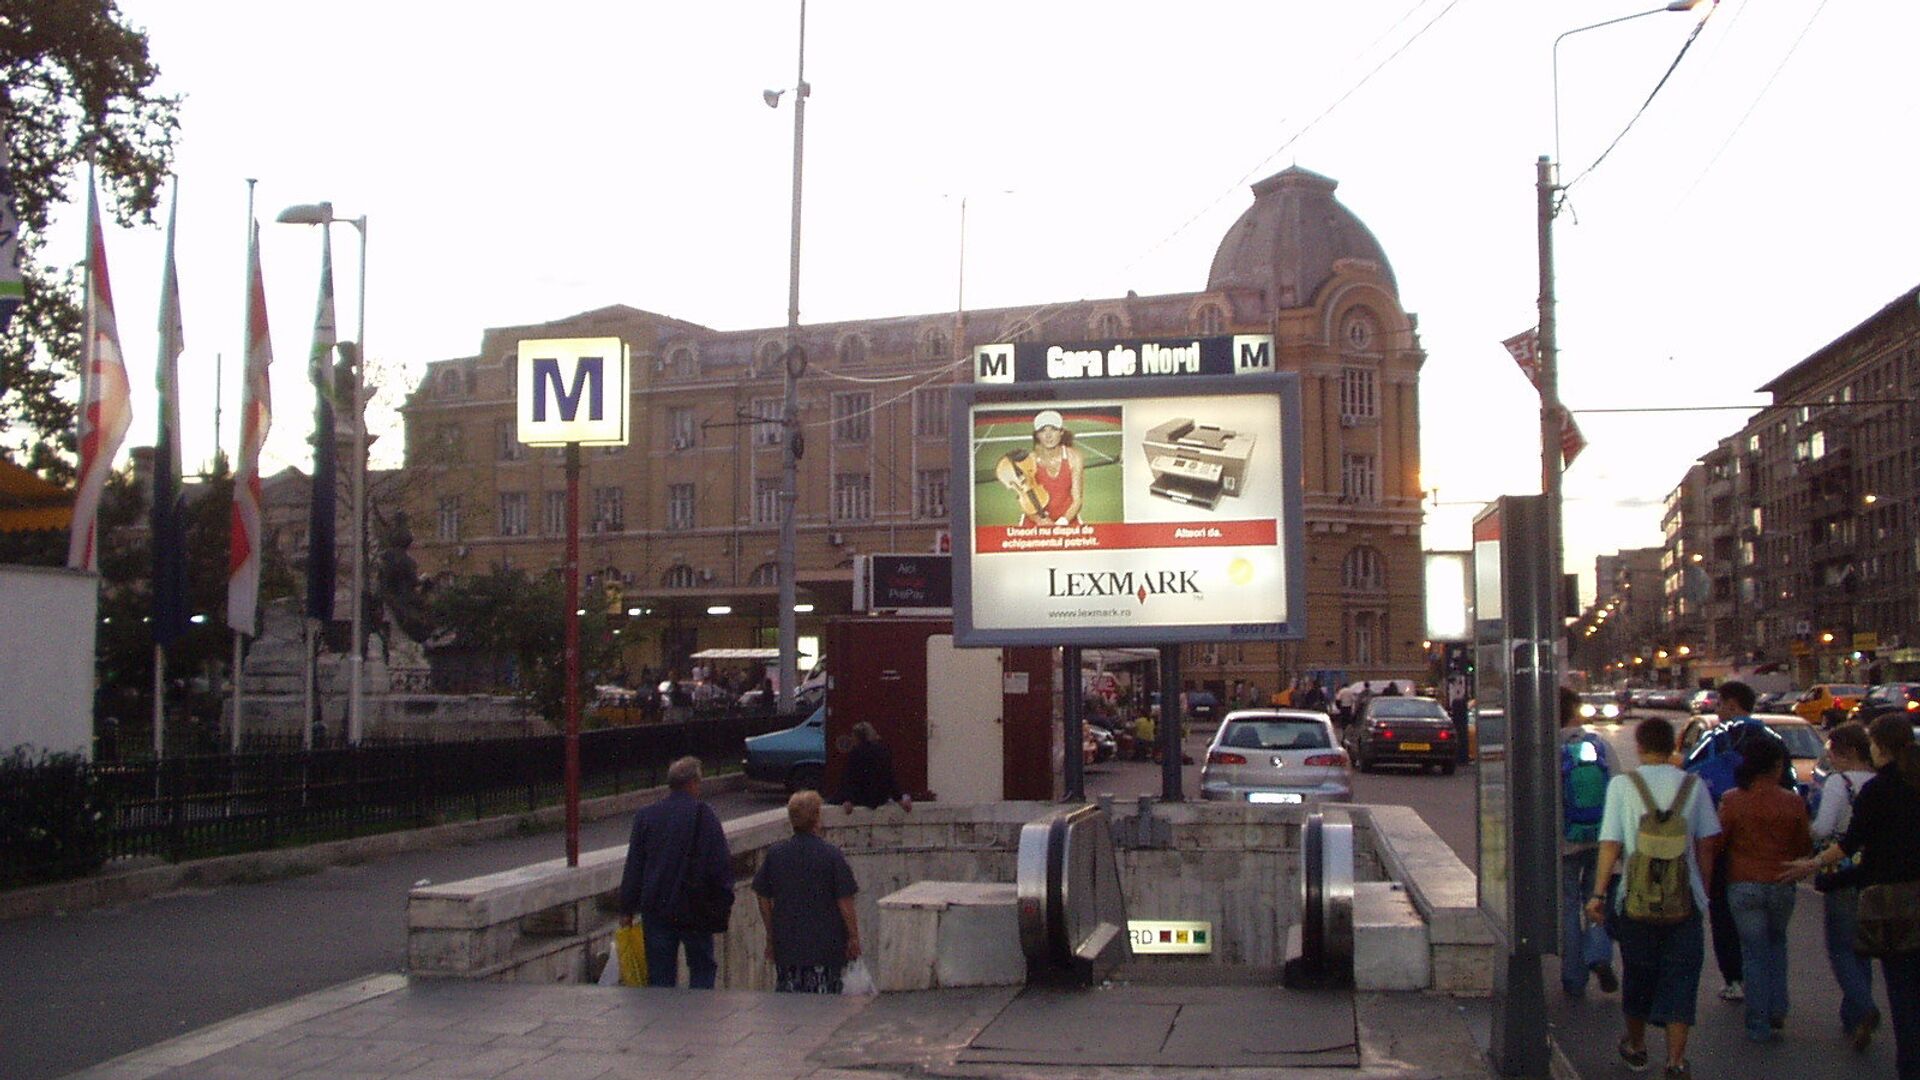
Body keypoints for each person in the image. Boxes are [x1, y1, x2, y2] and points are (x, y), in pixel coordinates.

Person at [1585, 716, 1721, 1080]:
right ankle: (1676, 1060)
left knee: (1639, 973)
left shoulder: (1622, 786)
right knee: (1682, 977)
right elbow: (1707, 842)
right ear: (1675, 745)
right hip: (1685, 901)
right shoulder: (1693, 785)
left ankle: (1637, 1045)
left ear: (1641, 746)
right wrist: (1703, 890)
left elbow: (1610, 842)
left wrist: (1598, 893)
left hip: (1635, 899)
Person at [1784, 714, 1920, 1077]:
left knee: (1904, 994)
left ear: (1881, 746)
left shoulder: (1879, 790)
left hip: (1895, 903)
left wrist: (1811, 867)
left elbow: (1850, 845)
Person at [1682, 679, 1789, 1003]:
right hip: (1769, 843)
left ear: (1731, 704)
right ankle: (1770, 990)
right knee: (1770, 932)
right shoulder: (1772, 739)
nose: (1716, 710)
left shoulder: (1716, 737)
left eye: (1719, 704)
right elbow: (1792, 784)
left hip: (1722, 837)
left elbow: (1689, 770)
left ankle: (1736, 978)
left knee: (1724, 916)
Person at [1717, 735, 1811, 1042]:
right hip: (1781, 881)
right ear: (1776, 766)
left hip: (1743, 882)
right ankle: (1777, 1008)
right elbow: (1803, 845)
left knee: (1753, 953)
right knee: (1776, 944)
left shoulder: (1732, 799)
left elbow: (1719, 840)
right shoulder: (1792, 801)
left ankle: (1757, 1021)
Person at [616, 755, 734, 988]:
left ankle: (663, 1018)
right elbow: (719, 863)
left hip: (656, 907)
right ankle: (699, 1016)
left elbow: (635, 866)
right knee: (702, 967)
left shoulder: (646, 816)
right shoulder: (705, 815)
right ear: (692, 783)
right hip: (695, 908)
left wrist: (627, 908)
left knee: (660, 973)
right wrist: (724, 899)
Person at [1804, 721, 1880, 1049]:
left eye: (1832, 751)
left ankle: (1863, 1007)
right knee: (1861, 947)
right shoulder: (1880, 780)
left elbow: (1823, 828)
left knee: (1840, 946)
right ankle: (1853, 1016)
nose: (1829, 758)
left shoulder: (1840, 783)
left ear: (1847, 752)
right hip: (1876, 873)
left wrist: (1807, 832)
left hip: (1842, 868)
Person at [753, 790, 861, 993]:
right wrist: (853, 936)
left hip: (787, 943)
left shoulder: (776, 854)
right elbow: (844, 901)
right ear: (817, 819)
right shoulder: (831, 855)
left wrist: (771, 933)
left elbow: (762, 895)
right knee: (824, 998)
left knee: (788, 997)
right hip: (826, 946)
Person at [1559, 686, 1618, 998]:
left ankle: (1573, 977)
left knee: (1568, 907)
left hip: (1565, 841)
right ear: (1575, 711)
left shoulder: (1548, 748)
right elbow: (1617, 787)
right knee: (1596, 899)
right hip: (1599, 838)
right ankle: (1598, 955)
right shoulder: (1599, 745)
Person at [836, 722, 911, 813]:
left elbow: (850, 779)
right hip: (880, 798)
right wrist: (899, 799)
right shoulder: (883, 751)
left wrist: (848, 799)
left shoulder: (855, 753)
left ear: (857, 737)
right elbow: (890, 777)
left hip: (860, 798)